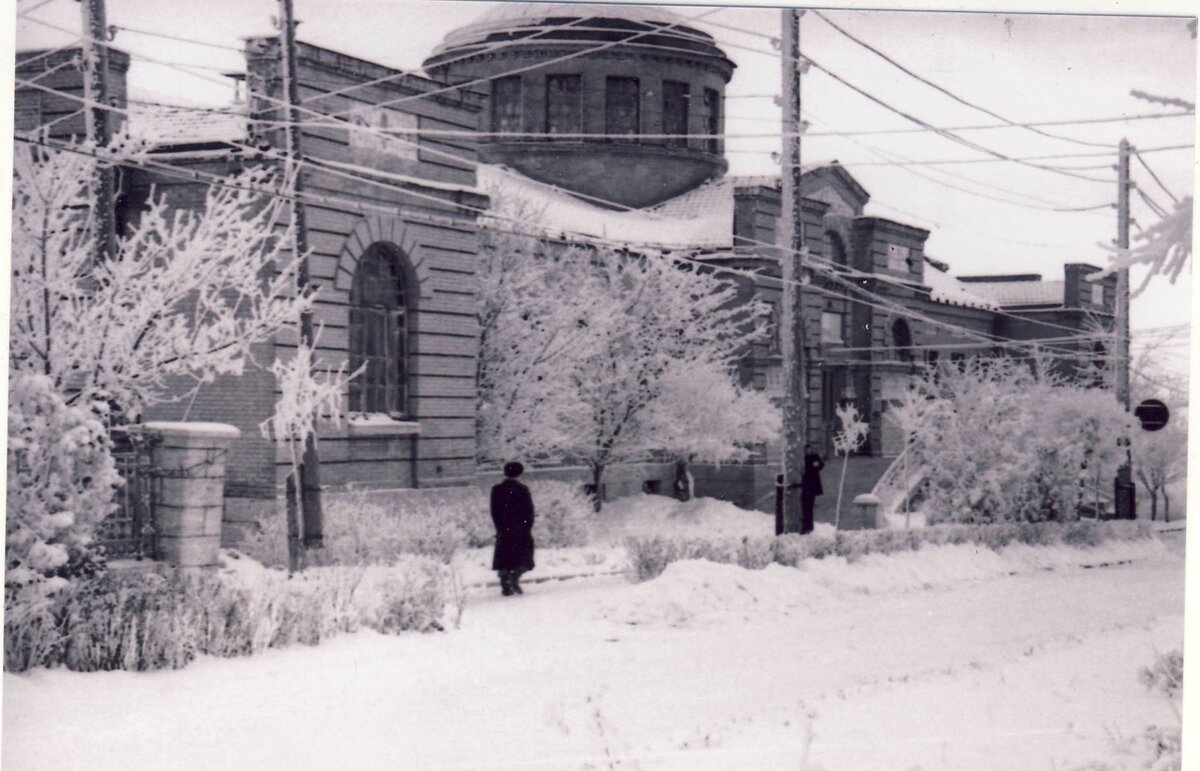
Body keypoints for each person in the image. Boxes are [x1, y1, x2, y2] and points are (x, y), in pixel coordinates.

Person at [490, 461, 535, 596]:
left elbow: (494, 510)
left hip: (504, 528)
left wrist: (499, 526)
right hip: (520, 529)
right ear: (520, 473)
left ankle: (505, 582)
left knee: (504, 555)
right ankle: (515, 576)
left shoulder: (497, 489)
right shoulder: (522, 489)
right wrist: (526, 526)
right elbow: (529, 511)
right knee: (524, 555)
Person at [801, 444, 825, 534]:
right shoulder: (802, 458)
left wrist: (816, 466)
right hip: (804, 483)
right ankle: (805, 525)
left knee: (808, 505)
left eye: (809, 449)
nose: (808, 451)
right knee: (805, 506)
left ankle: (808, 526)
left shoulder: (814, 457)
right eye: (806, 450)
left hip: (811, 483)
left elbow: (821, 465)